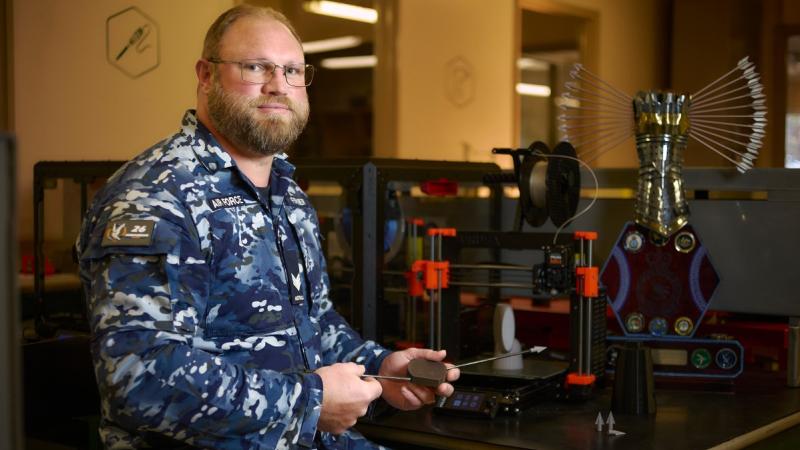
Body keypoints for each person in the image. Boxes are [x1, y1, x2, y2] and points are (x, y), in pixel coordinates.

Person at [76, 5, 458, 449]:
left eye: (293, 70)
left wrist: (378, 366)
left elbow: (310, 322)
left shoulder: (287, 193)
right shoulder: (155, 196)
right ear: (205, 75)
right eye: (255, 66)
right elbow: (136, 377)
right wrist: (310, 401)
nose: (279, 85)